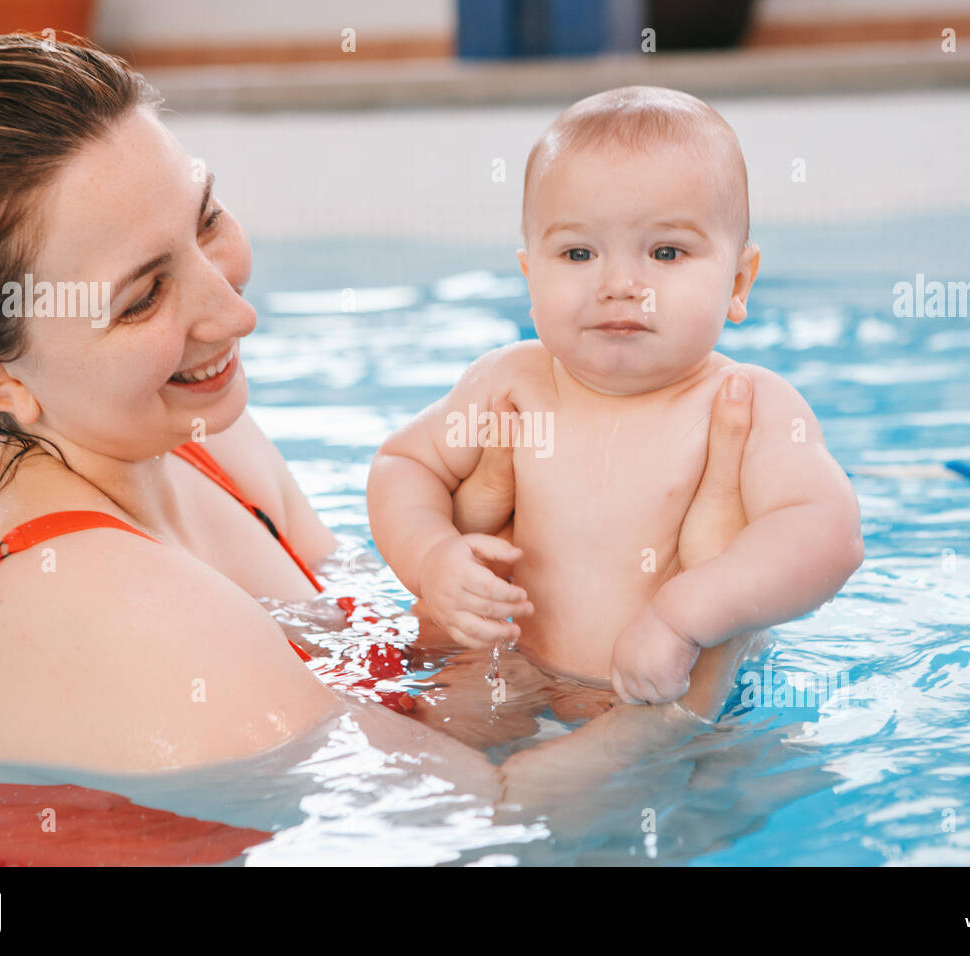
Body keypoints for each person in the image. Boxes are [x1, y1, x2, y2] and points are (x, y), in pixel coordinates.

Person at [0, 37, 759, 789]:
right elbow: (474, 821)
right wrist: (702, 653)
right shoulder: (100, 604)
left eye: (206, 221)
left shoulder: (194, 435)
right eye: (141, 299)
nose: (234, 312)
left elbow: (392, 667)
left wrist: (486, 564)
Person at [367, 86, 864, 707]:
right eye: (578, 252)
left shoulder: (747, 404)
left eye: (666, 252)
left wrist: (683, 618)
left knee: (604, 792)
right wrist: (432, 558)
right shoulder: (510, 383)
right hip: (510, 674)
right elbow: (403, 466)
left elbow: (828, 535)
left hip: (673, 702)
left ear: (738, 284)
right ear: (530, 277)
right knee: (440, 769)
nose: (621, 285)